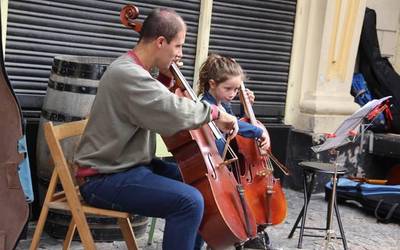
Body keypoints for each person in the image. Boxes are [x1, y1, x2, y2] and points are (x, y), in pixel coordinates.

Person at [73, 8, 238, 250]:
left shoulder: (135, 71)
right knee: (189, 201)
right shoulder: (126, 73)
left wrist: (164, 78)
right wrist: (214, 112)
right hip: (104, 178)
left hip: (131, 165)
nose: (180, 54)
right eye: (179, 46)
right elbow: (169, 110)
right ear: (161, 42)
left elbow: (149, 105)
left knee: (202, 183)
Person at [196, 54, 275, 250]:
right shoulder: (206, 105)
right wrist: (258, 131)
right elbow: (235, 125)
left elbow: (234, 127)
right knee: (205, 217)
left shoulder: (224, 104)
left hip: (221, 168)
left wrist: (245, 106)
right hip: (208, 170)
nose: (232, 93)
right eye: (228, 89)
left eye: (236, 89)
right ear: (212, 84)